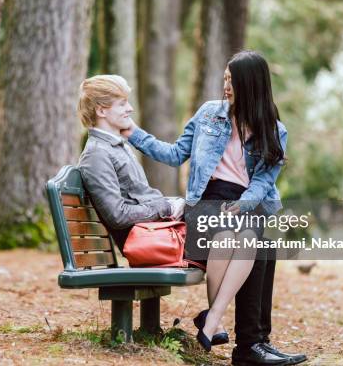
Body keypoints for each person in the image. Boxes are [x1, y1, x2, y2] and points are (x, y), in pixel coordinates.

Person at [122, 51, 307, 365]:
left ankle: (254, 341)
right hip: (206, 203)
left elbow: (263, 182)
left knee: (264, 246)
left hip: (246, 201)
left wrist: (243, 203)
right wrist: (134, 134)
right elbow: (175, 153)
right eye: (224, 79)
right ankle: (246, 341)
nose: (226, 86)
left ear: (250, 84)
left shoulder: (275, 129)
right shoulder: (209, 113)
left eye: (232, 80)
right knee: (255, 244)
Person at [76, 74, 185, 251]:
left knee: (235, 230)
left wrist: (173, 205)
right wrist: (165, 207)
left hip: (159, 233)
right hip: (151, 241)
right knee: (232, 236)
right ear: (101, 111)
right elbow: (118, 216)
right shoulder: (97, 154)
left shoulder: (116, 147)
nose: (130, 108)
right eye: (122, 104)